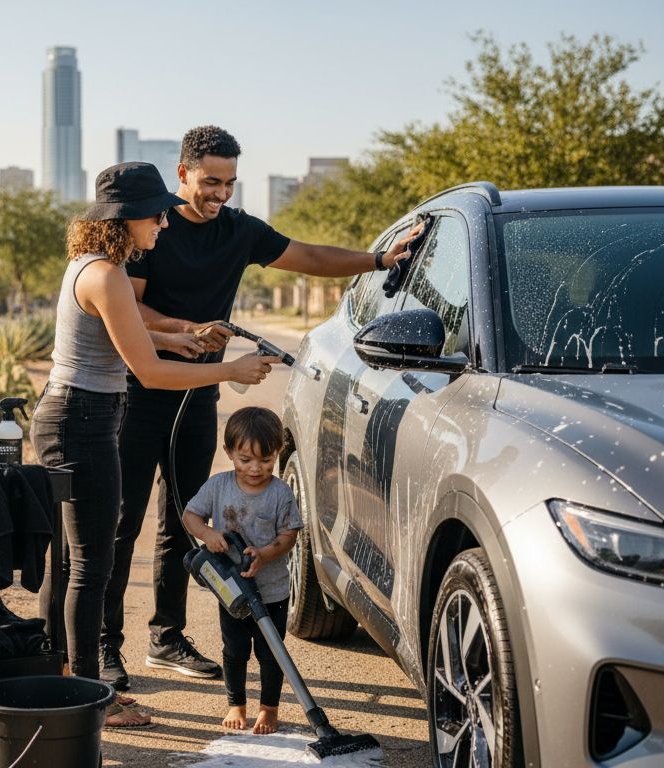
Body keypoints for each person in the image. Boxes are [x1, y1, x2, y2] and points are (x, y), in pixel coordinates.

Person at [100, 125, 423, 691]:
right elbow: (130, 310)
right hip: (139, 392)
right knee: (121, 523)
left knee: (183, 519)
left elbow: (308, 255)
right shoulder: (155, 229)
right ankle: (105, 648)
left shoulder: (239, 231)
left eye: (228, 182)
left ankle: (165, 636)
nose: (220, 193)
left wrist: (376, 259)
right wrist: (186, 330)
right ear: (183, 175)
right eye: (209, 182)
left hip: (197, 397)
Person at [31, 161, 279, 728]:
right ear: (127, 218)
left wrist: (180, 335)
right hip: (82, 420)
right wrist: (229, 370)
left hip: (75, 413)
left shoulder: (93, 265)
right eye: (156, 216)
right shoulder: (110, 275)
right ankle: (89, 695)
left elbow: (130, 336)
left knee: (75, 560)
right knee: (91, 563)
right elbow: (148, 373)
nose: (164, 224)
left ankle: (64, 678)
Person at [180, 407, 301, 735]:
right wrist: (207, 534)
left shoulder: (280, 494)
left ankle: (269, 709)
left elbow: (289, 534)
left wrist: (264, 554)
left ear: (277, 453)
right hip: (231, 592)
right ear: (229, 452)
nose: (255, 468)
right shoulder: (219, 487)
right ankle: (236, 703)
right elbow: (190, 516)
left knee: (270, 653)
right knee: (234, 651)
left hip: (272, 591)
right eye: (245, 459)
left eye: (266, 460)